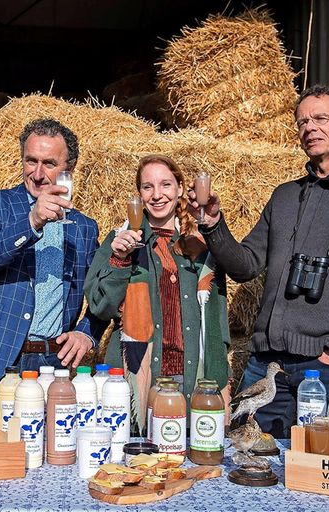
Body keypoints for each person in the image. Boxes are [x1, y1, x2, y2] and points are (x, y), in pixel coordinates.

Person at [191, 85, 329, 438]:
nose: (310, 126)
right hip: (266, 369)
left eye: (321, 118)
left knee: (320, 477)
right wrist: (213, 225)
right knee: (250, 467)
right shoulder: (284, 196)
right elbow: (245, 264)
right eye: (302, 122)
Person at [0, 118, 106, 406]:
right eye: (31, 161)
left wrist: (87, 333)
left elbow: (103, 293)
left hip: (51, 367)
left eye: (49, 163)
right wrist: (32, 221)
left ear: (70, 168)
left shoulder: (84, 227)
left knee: (47, 449)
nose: (38, 173)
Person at [85, 154, 231, 436]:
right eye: (147, 187)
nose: (157, 195)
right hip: (141, 375)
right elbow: (100, 305)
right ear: (139, 194)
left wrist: (220, 363)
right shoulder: (121, 239)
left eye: (165, 184)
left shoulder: (203, 242)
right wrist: (119, 260)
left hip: (196, 377)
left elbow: (218, 312)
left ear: (179, 189)